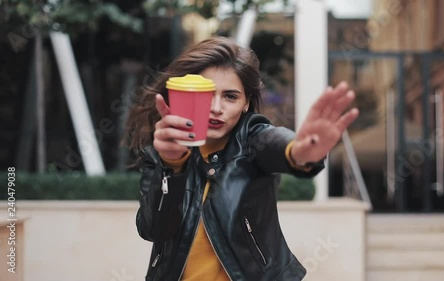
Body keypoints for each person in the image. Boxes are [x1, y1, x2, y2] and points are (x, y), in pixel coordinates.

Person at [126, 36, 359, 281]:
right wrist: (171, 166)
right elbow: (153, 229)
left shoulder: (252, 138)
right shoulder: (160, 152)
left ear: (246, 102)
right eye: (207, 95)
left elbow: (274, 143)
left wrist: (299, 152)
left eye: (230, 96)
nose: (217, 107)